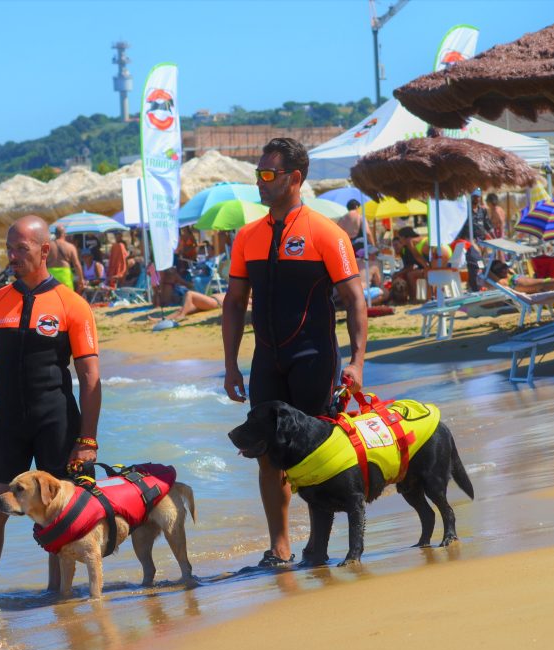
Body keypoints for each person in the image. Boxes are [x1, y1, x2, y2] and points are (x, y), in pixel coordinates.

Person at [222, 137, 367, 567]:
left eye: (269, 174)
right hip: (266, 359)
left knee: (314, 450)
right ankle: (280, 545)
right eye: (258, 174)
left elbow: (355, 299)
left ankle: (319, 544)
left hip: (313, 357)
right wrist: (230, 365)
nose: (260, 183)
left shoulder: (327, 232)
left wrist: (357, 361)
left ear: (295, 178)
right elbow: (233, 302)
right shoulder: (247, 236)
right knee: (265, 452)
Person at [0, 215, 102, 601]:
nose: (12, 256)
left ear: (44, 251)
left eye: (21, 248)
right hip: (8, 423)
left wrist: (87, 439)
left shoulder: (71, 305)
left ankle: (59, 601)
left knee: (63, 517)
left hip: (57, 422)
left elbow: (90, 377)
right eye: (9, 248)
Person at [486, 259, 554, 293]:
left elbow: (507, 268)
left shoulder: (510, 274)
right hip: (541, 285)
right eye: (499, 269)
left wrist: (506, 267)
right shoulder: (501, 282)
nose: (504, 269)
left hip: (542, 283)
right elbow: (485, 272)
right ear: (494, 273)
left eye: (504, 266)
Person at [455, 189, 490, 292]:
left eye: (478, 197)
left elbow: (487, 227)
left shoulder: (482, 211)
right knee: (475, 265)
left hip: (482, 243)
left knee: (483, 266)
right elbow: (460, 230)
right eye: (474, 196)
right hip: (469, 243)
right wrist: (470, 242)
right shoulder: (465, 211)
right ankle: (475, 288)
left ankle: (476, 286)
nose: (476, 199)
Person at [394, 226, 429, 302]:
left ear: (404, 237)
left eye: (399, 239)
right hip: (427, 265)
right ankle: (409, 297)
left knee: (410, 275)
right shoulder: (404, 249)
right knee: (405, 274)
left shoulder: (409, 244)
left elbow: (416, 259)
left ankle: (414, 297)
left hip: (429, 266)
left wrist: (426, 268)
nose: (395, 248)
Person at [46, 225, 84, 291]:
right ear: (64, 234)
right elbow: (77, 265)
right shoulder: (70, 247)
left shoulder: (48, 246)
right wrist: (81, 280)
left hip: (51, 275)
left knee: (52, 297)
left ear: (55, 234)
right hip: (65, 275)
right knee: (66, 298)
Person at [151, 290, 226, 322]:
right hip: (211, 302)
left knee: (190, 293)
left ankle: (182, 315)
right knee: (183, 308)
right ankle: (162, 320)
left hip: (215, 302)